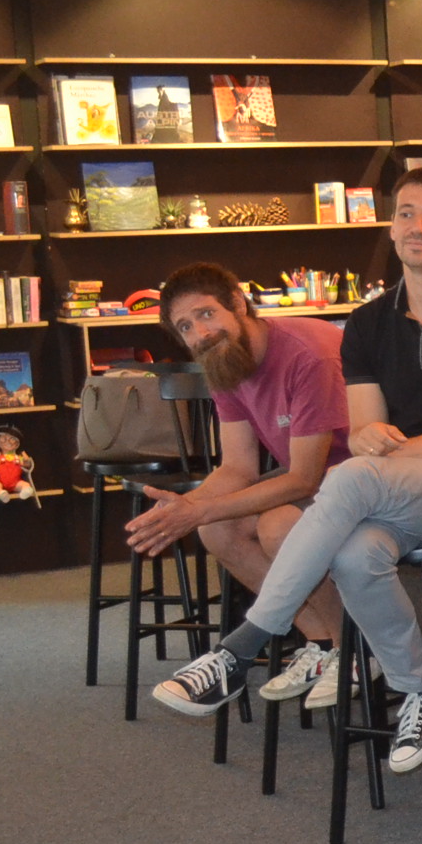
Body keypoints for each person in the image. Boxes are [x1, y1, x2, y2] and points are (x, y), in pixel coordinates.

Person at [150, 169, 422, 770]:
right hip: (397, 488)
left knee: (348, 478)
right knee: (355, 555)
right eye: (406, 213)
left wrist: (389, 452)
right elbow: (363, 432)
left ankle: (242, 645)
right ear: (391, 227)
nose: (417, 226)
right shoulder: (368, 321)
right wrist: (375, 447)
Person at [125, 262, 351, 699]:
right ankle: (322, 643)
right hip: (313, 473)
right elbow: (238, 468)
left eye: (207, 314)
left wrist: (198, 510)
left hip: (363, 471)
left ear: (238, 304)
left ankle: (355, 649)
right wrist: (183, 510)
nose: (200, 333)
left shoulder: (308, 354)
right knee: (217, 529)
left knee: (277, 526)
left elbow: (303, 479)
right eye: (185, 326)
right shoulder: (224, 360)